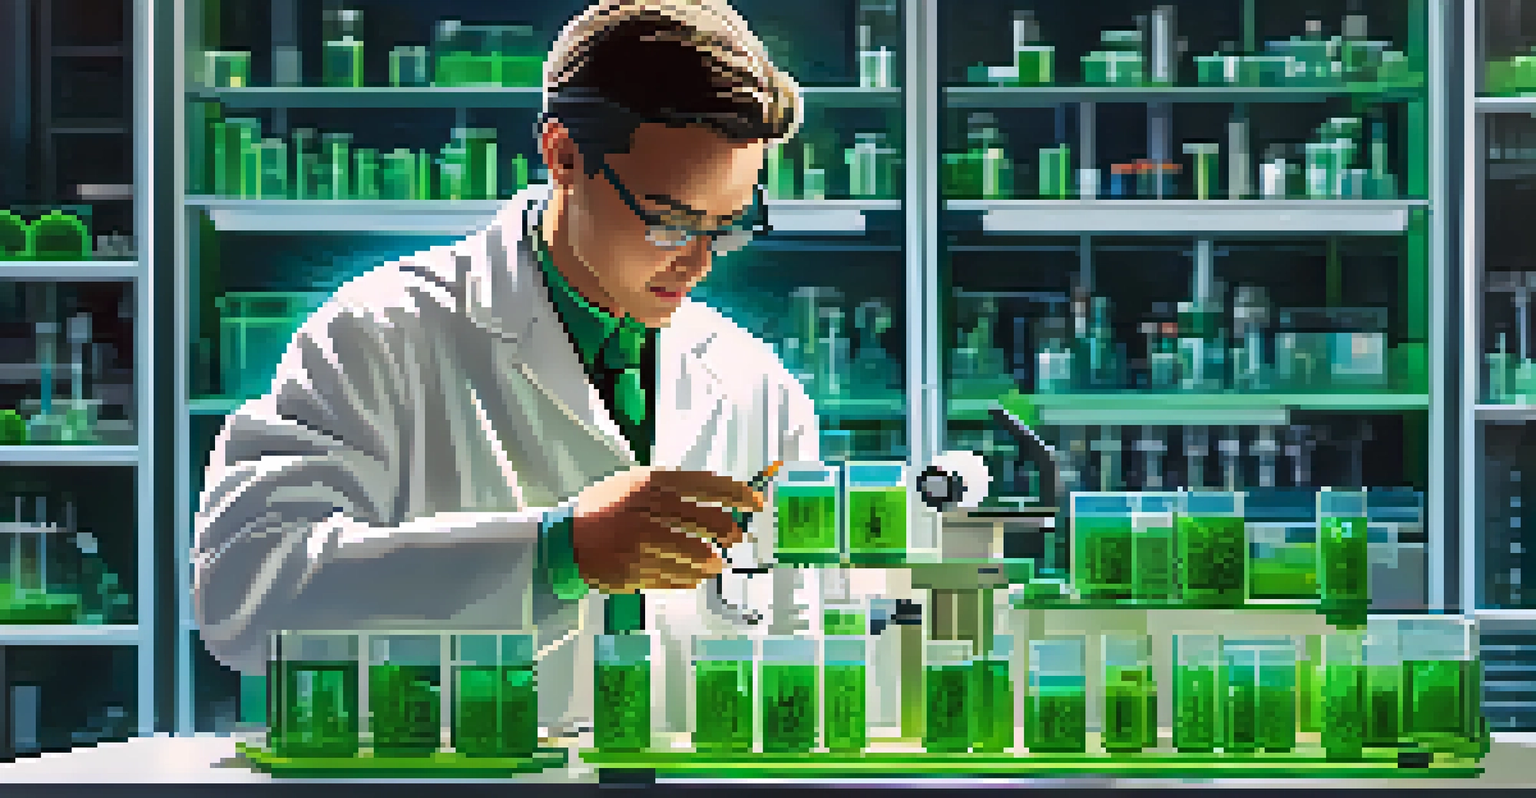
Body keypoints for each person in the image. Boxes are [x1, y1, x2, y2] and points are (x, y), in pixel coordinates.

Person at [192, 0, 818, 735]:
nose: (700, 259)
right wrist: (559, 552)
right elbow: (247, 597)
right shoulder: (382, 333)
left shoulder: (755, 385)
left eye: (730, 224)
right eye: (670, 219)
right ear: (565, 156)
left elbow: (800, 638)